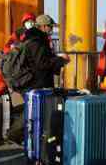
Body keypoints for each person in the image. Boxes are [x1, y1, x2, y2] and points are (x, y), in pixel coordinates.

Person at [6, 14, 70, 144]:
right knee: (33, 109)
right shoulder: (37, 42)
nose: (51, 29)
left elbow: (41, 60)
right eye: (50, 27)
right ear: (44, 27)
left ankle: (32, 136)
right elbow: (42, 64)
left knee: (34, 108)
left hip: (31, 80)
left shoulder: (33, 39)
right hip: (35, 82)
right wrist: (60, 60)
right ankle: (14, 134)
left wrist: (56, 59)